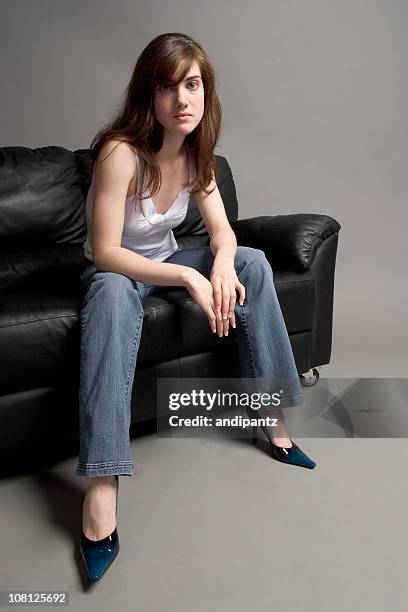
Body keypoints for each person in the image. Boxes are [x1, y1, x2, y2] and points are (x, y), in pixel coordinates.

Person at [77, 32, 316, 582]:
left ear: (205, 93)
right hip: (118, 272)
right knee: (112, 290)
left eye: (192, 85)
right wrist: (189, 273)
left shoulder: (195, 155)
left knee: (252, 262)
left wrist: (223, 263)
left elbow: (224, 234)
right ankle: (101, 485)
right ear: (149, 96)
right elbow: (109, 251)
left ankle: (270, 418)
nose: (181, 99)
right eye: (167, 88)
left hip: (160, 264)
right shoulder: (119, 152)